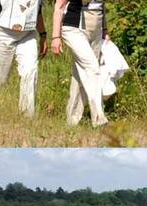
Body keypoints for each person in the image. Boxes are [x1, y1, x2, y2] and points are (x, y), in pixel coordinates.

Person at [0, 0, 49, 118]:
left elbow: (37, 11)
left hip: (28, 34)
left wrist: (43, 34)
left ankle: (27, 117)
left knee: (30, 71)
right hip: (0, 32)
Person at [50, 0, 108, 128]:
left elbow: (101, 5)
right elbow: (59, 6)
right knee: (92, 69)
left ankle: (72, 120)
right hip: (74, 28)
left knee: (80, 76)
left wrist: (105, 29)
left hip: (96, 30)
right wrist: (55, 37)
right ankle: (99, 119)